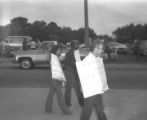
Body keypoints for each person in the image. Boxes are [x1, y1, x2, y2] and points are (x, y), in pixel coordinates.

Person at [80, 41, 108, 120]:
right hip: (90, 91)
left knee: (100, 110)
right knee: (87, 112)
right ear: (95, 49)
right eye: (100, 49)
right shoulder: (88, 60)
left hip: (96, 90)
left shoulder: (96, 58)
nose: (102, 50)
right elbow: (83, 77)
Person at [45, 45, 72, 115]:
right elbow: (58, 70)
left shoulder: (53, 57)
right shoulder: (54, 58)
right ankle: (66, 111)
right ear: (56, 50)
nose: (60, 51)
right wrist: (62, 80)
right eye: (59, 50)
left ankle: (48, 109)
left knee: (51, 93)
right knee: (60, 95)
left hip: (52, 77)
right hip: (54, 78)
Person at [64, 40, 84, 107]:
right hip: (70, 73)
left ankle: (82, 103)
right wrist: (74, 71)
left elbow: (78, 63)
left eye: (78, 44)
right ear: (72, 46)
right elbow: (66, 65)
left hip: (75, 72)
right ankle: (67, 104)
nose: (78, 46)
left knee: (78, 88)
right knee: (69, 89)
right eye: (76, 44)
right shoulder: (69, 53)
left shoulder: (76, 52)